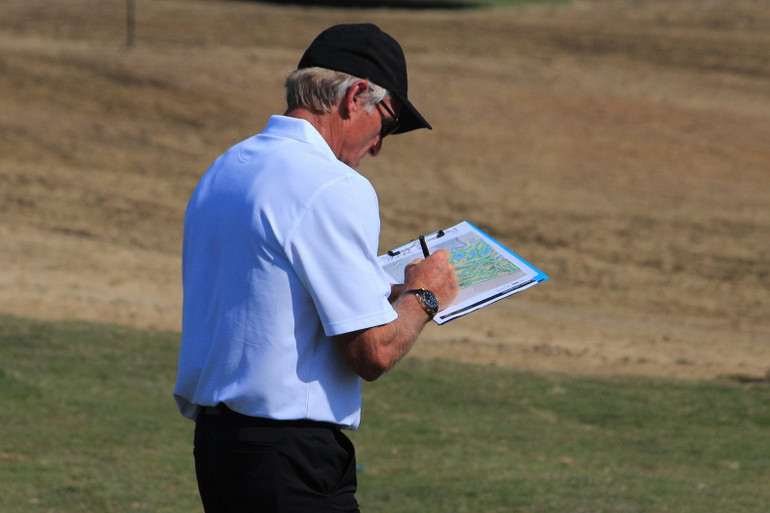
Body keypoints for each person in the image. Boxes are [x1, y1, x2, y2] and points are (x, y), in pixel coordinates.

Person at [173, 23, 459, 513]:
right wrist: (425, 296)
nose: (378, 147)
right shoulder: (332, 185)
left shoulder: (228, 165)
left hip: (220, 450)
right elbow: (372, 353)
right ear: (356, 96)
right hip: (290, 459)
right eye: (386, 125)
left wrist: (382, 294)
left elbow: (272, 294)